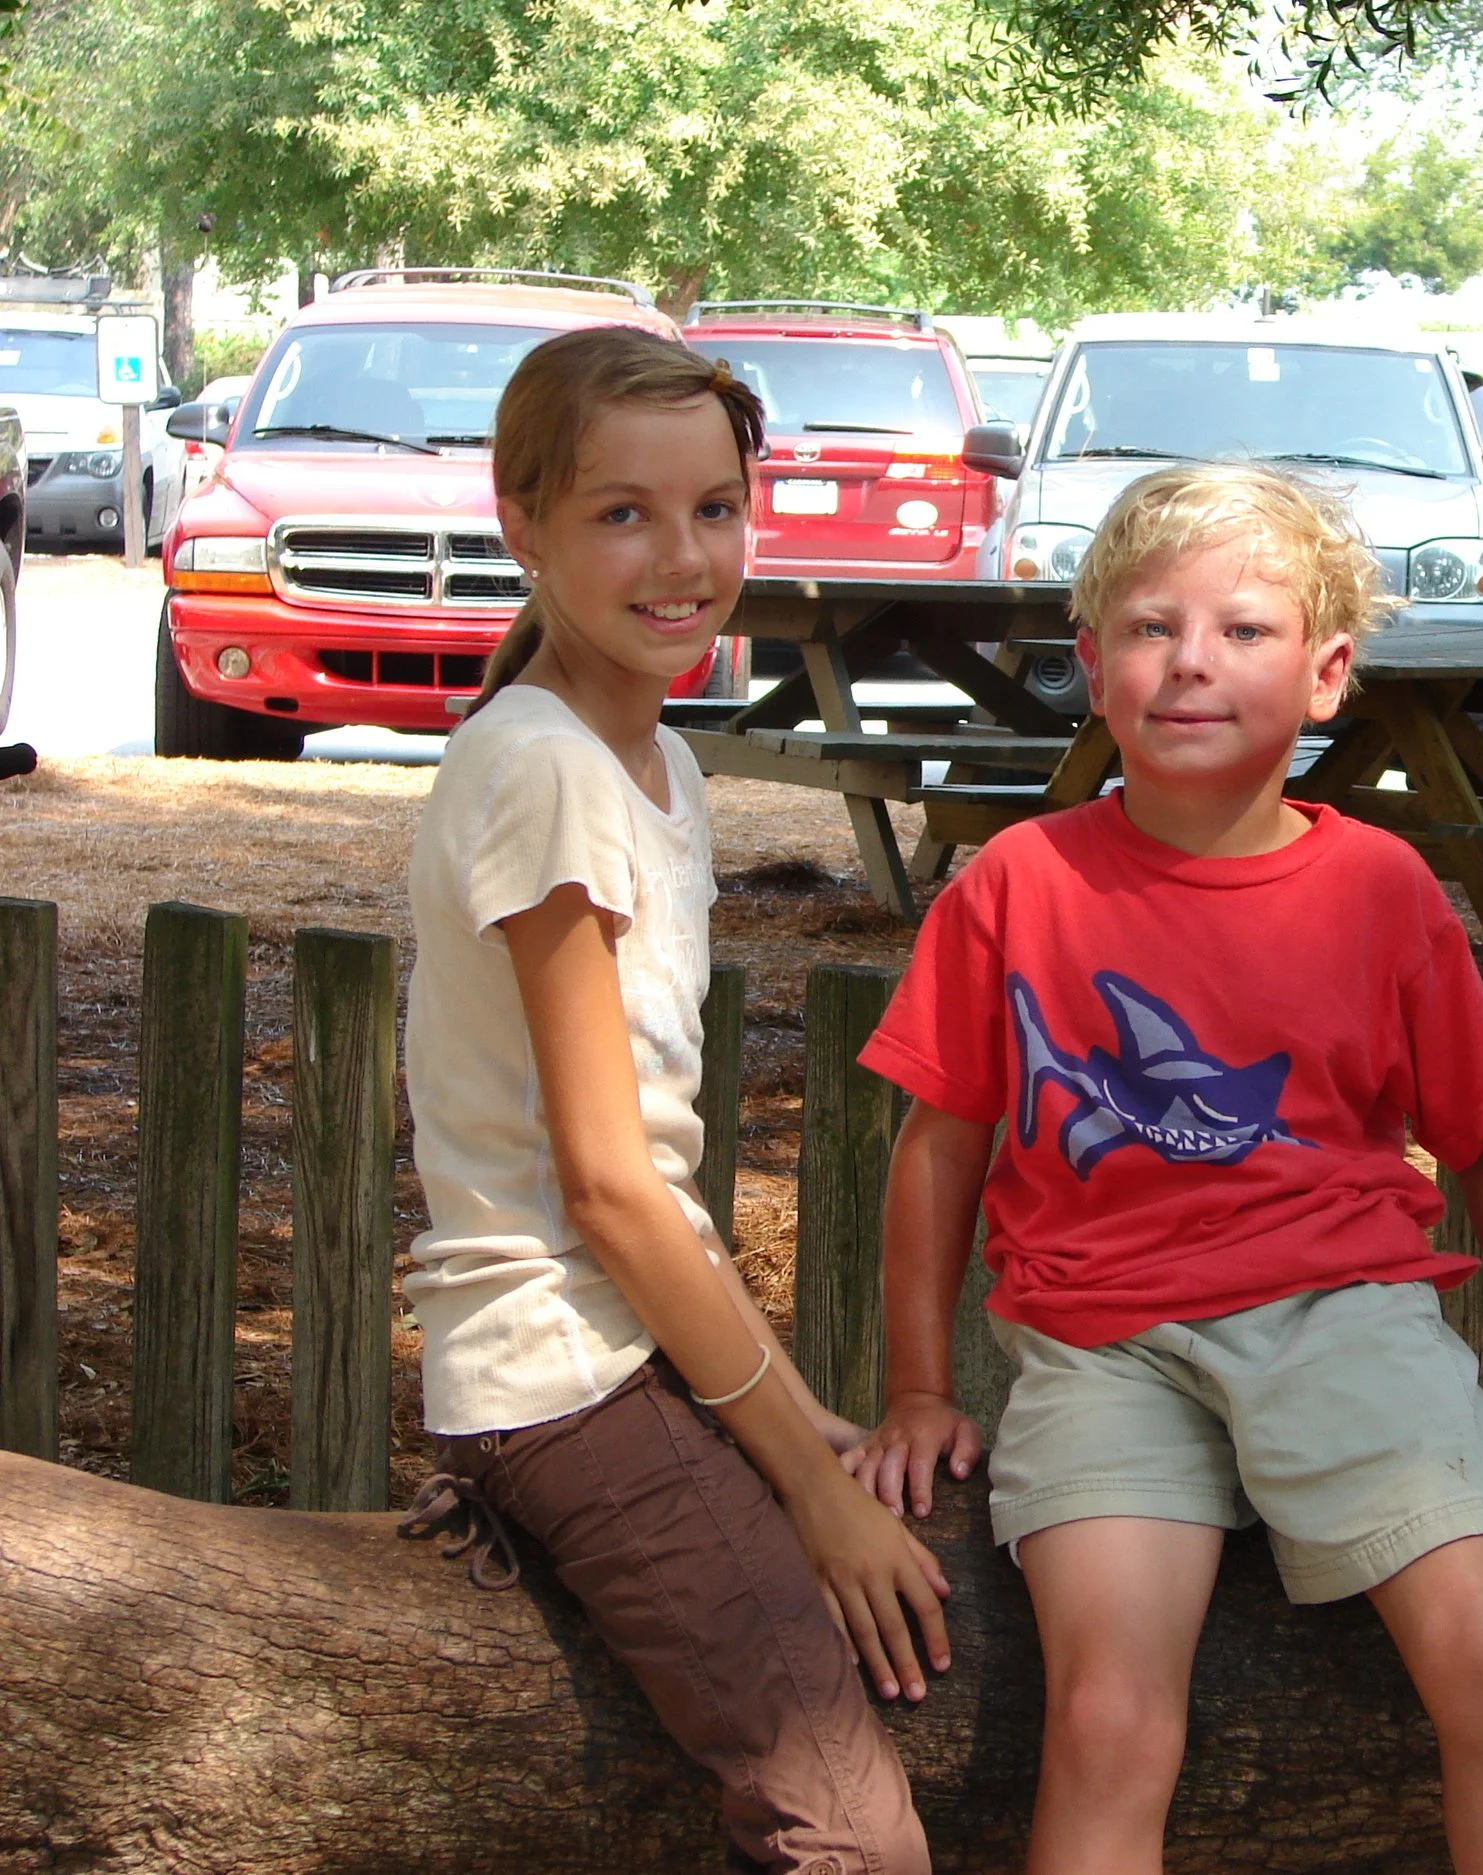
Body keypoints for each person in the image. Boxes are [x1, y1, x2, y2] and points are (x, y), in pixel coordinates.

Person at [851, 462, 1483, 1875]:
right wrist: (916, 1390)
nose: (1192, 661)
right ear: (1093, 666)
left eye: (1245, 629)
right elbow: (938, 1148)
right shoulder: (1017, 883)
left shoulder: (1382, 888)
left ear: (1327, 673)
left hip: (1346, 1318)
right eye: (1151, 627)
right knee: (1107, 1717)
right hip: (1104, 1345)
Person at [399, 324, 942, 1875]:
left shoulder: (653, 765)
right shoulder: (548, 768)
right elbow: (606, 1187)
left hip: (625, 1348)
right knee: (851, 1833)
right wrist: (808, 1485)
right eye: (622, 513)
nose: (684, 556)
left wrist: (795, 1412)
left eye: (715, 507)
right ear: (522, 523)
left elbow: (648, 1161)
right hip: (562, 1374)